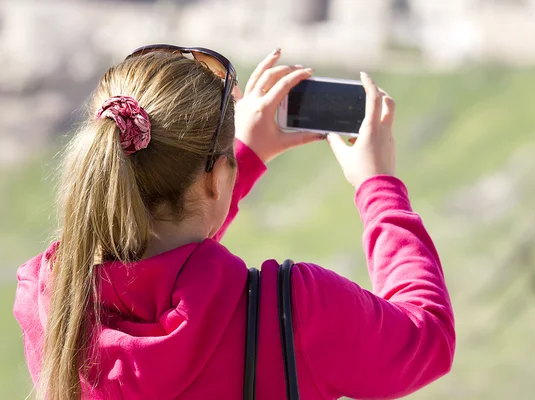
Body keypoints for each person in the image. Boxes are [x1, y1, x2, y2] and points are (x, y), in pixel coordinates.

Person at [13, 46, 455, 400]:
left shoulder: (49, 300)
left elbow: (162, 260)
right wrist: (378, 185)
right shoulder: (295, 310)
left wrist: (236, 159)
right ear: (214, 179)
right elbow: (428, 339)